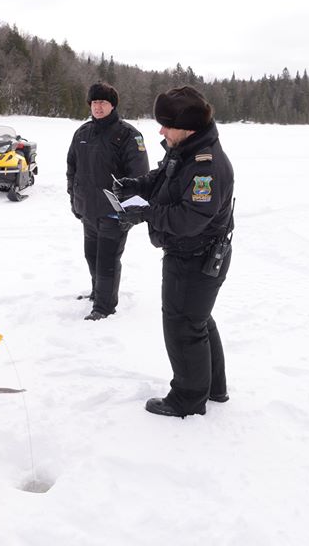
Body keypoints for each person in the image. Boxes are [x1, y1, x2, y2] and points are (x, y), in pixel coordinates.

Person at [113, 86, 235, 417]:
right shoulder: (185, 149)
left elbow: (191, 218)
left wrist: (146, 213)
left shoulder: (205, 165)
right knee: (197, 320)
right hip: (194, 254)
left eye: (167, 124)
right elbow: (164, 177)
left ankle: (188, 398)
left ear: (188, 125)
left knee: (183, 326)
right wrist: (137, 186)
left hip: (195, 256)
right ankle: (214, 387)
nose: (161, 131)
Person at [67, 82, 150, 320]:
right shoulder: (82, 133)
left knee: (107, 260)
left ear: (112, 105)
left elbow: (140, 176)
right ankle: (97, 293)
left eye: (103, 102)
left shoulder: (129, 135)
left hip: (114, 212)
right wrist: (74, 199)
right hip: (88, 210)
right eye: (94, 102)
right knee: (91, 255)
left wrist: (130, 212)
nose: (98, 107)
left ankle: (104, 307)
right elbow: (72, 168)